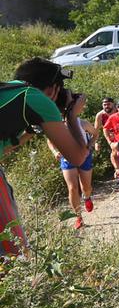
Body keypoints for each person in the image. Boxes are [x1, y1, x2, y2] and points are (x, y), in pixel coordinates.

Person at [0, 59, 90, 255]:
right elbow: (78, 158)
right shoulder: (35, 98)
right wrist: (72, 116)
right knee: (12, 251)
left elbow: (4, 149)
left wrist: (34, 128)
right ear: (52, 89)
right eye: (62, 88)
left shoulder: (10, 92)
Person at [47, 115, 96, 230]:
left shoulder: (83, 123)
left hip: (84, 156)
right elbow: (50, 141)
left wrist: (90, 145)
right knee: (72, 188)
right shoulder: (56, 126)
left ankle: (87, 197)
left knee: (86, 187)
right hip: (66, 158)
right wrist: (55, 152)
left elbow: (95, 134)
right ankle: (78, 217)